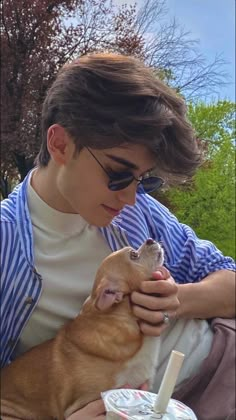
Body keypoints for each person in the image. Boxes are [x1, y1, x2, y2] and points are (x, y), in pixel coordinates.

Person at [1, 53, 235, 420]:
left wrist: (178, 300)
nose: (130, 196)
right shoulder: (5, 246)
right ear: (60, 144)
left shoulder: (140, 209)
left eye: (144, 180)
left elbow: (230, 280)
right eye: (117, 173)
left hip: (222, 359)